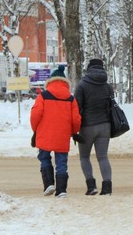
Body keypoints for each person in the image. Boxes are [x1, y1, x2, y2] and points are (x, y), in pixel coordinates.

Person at [30, 65, 82, 198]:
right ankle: (61, 190)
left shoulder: (44, 96)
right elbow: (76, 119)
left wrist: (35, 129)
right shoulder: (71, 99)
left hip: (45, 133)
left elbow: (35, 115)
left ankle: (48, 184)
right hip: (63, 136)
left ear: (50, 82)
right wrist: (74, 132)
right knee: (61, 162)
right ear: (65, 83)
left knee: (44, 157)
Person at [74, 59, 113, 196]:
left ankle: (91, 187)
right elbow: (111, 107)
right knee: (103, 157)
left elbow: (76, 108)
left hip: (87, 126)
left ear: (89, 68)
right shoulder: (107, 86)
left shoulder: (82, 85)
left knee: (84, 157)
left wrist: (74, 128)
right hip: (105, 125)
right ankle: (107, 188)